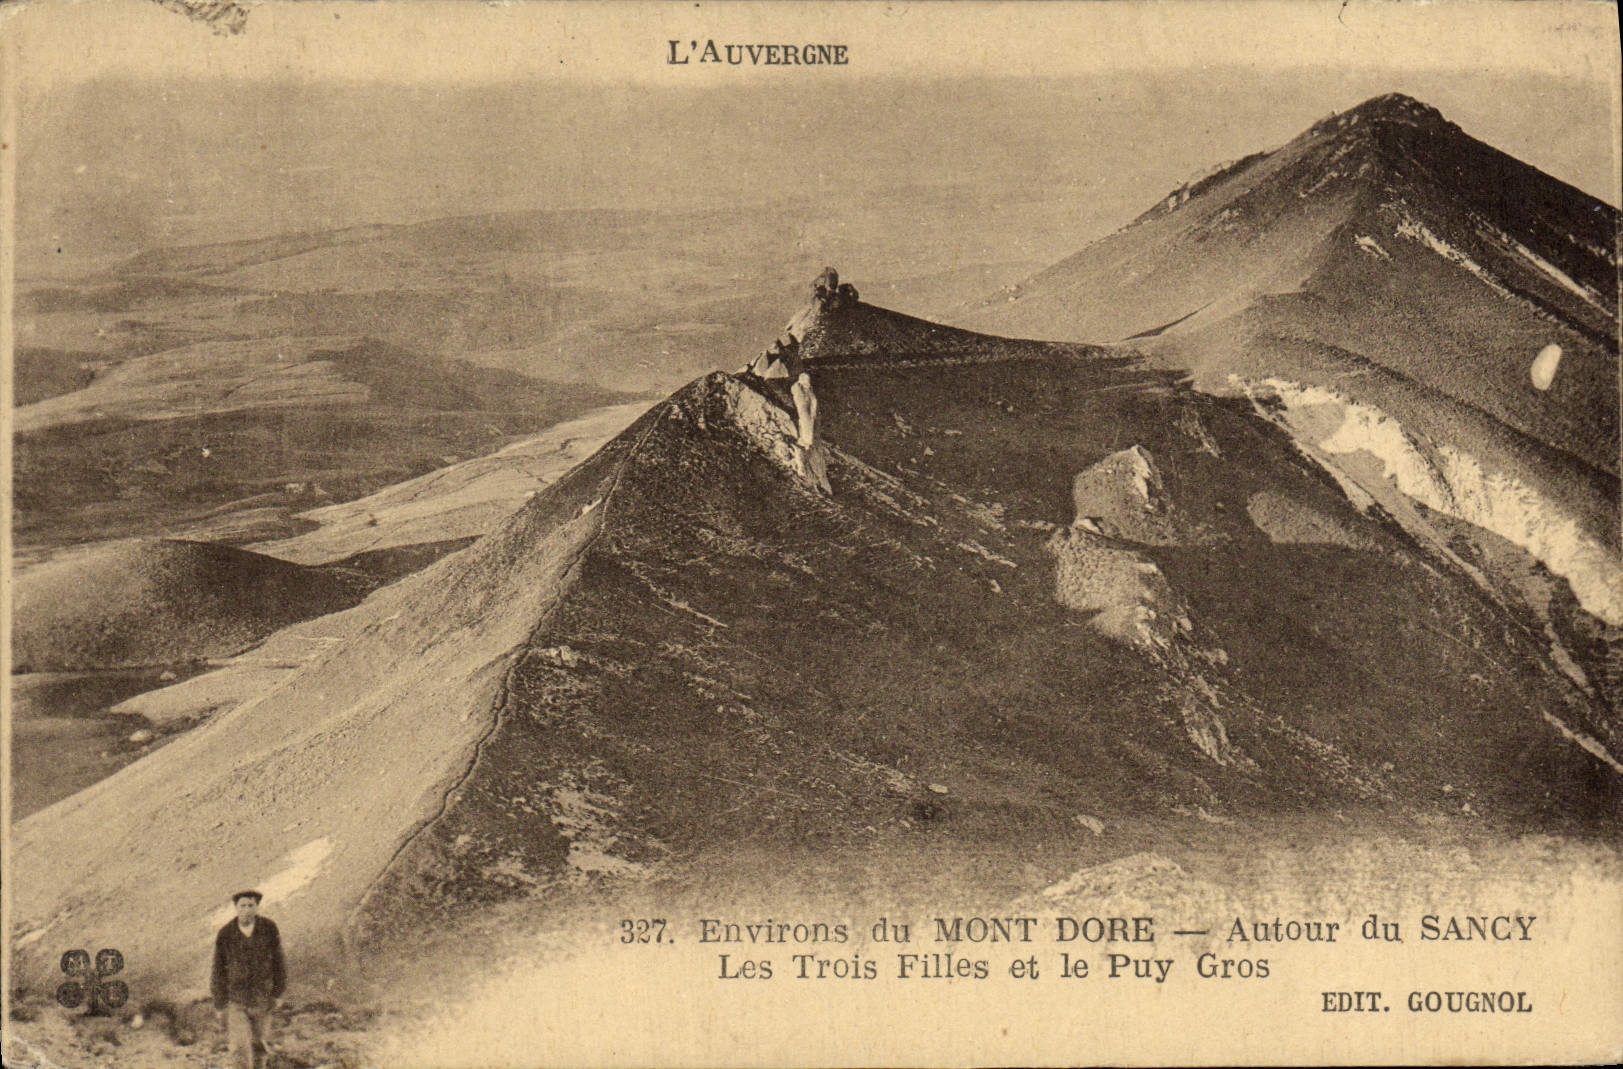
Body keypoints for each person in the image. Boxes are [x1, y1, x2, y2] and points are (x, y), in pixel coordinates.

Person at [210, 890, 286, 1069]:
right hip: (236, 999)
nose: (246, 910)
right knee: (239, 1047)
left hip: (262, 997)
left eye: (251, 905)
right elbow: (218, 970)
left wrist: (278, 993)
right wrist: (219, 1003)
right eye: (242, 906)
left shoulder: (268, 928)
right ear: (236, 908)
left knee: (259, 1045)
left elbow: (279, 962)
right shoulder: (225, 934)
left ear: (257, 907)